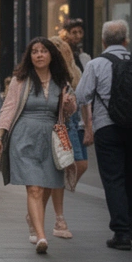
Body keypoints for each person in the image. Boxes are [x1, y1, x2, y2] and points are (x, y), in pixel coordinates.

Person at [76, 20, 132, 250]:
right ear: (126, 40)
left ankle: (121, 232)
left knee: (113, 178)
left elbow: (81, 95)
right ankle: (130, 225)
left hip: (108, 128)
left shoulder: (96, 64)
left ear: (103, 41)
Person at [0, 38, 79, 254]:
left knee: (47, 185)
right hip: (24, 137)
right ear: (29, 56)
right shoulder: (20, 80)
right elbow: (8, 109)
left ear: (51, 55)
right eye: (34, 52)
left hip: (51, 138)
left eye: (43, 51)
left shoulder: (61, 81)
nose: (39, 55)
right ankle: (41, 236)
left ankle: (34, 219)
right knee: (34, 188)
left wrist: (69, 105)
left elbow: (70, 111)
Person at [48, 36, 88, 239]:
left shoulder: (74, 71)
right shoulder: (48, 74)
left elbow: (84, 101)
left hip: (74, 124)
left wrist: (89, 127)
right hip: (58, 124)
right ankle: (59, 218)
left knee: (80, 165)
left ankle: (45, 203)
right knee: (60, 171)